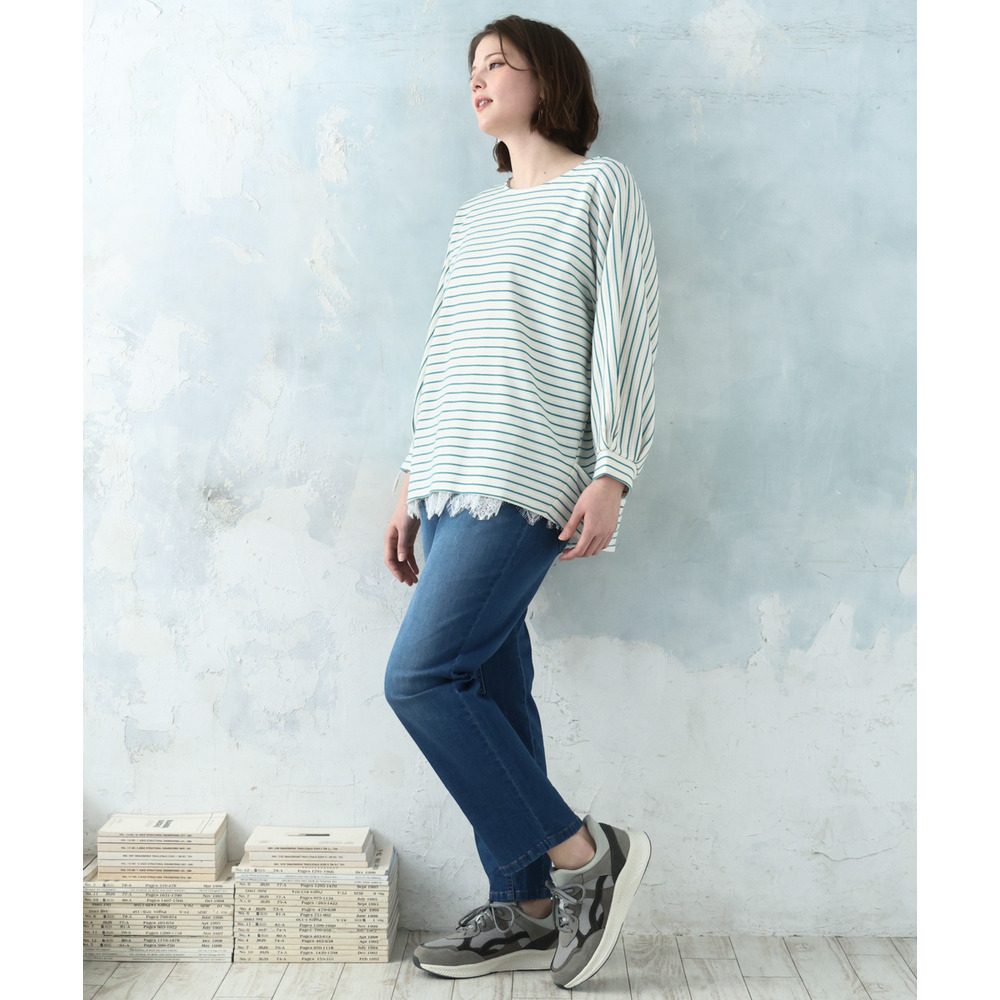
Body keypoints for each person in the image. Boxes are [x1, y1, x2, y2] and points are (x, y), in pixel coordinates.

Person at [383, 14, 659, 990]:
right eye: (473, 66)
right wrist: (410, 480)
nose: (480, 77)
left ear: (548, 81)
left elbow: (627, 335)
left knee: (419, 680)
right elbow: (443, 352)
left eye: (499, 63)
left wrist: (613, 469)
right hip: (447, 479)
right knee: (491, 690)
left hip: (525, 474)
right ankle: (529, 905)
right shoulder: (475, 216)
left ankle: (585, 856)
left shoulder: (601, 187)